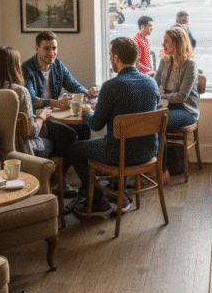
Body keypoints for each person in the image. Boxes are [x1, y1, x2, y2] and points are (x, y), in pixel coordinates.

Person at [68, 37, 159, 216]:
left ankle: (98, 200)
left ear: (116, 58)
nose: (110, 57)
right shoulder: (151, 82)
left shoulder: (111, 86)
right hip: (149, 150)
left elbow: (95, 124)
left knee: (74, 149)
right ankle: (120, 195)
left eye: (110, 54)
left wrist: (86, 111)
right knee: (119, 139)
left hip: (121, 153)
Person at [0, 47, 76, 183]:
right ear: (14, 67)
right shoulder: (19, 92)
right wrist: (41, 116)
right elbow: (31, 131)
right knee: (64, 138)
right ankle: (52, 180)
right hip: (22, 149)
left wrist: (34, 114)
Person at [22, 31, 97, 141]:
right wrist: (56, 103)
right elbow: (31, 100)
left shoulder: (58, 65)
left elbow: (73, 85)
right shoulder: (26, 69)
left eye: (54, 48)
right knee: (70, 135)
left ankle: (78, 157)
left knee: (85, 128)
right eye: (46, 48)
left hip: (53, 115)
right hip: (37, 119)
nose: (51, 53)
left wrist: (87, 92)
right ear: (37, 49)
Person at [155, 27, 200, 134]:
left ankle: (166, 151)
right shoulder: (164, 61)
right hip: (166, 106)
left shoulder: (190, 65)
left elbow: (181, 97)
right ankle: (165, 151)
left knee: (158, 123)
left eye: (166, 41)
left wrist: (162, 96)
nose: (162, 44)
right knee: (144, 119)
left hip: (186, 110)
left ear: (177, 44)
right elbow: (154, 83)